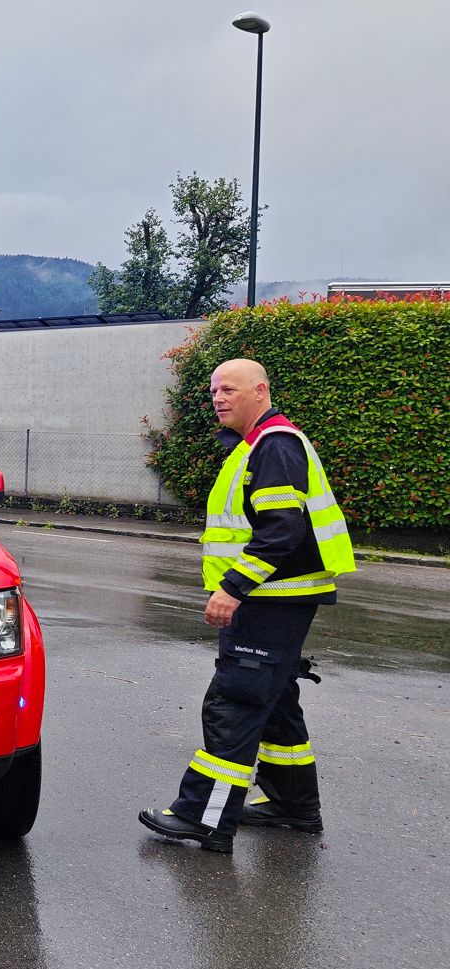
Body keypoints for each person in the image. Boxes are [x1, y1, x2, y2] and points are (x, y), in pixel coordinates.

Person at [139, 358, 356, 854]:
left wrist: (233, 587)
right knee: (274, 701)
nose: (218, 397)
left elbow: (282, 529)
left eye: (229, 389)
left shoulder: (274, 445)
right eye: (214, 390)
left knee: (235, 703)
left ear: (260, 391)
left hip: (269, 599)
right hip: (277, 599)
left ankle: (202, 817)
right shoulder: (259, 444)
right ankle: (293, 806)